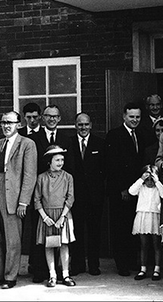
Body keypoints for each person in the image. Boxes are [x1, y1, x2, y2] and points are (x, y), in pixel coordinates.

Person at [0, 111, 37, 289]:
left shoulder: (27, 144)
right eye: (4, 122)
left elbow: (29, 175)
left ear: (18, 125)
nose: (6, 126)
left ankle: (10, 276)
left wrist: (23, 202)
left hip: (13, 193)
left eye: (10, 123)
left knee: (13, 237)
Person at [28, 104, 72, 283]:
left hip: (61, 198)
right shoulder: (33, 138)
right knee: (43, 240)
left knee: (63, 242)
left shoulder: (66, 138)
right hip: (42, 195)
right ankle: (41, 271)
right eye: (48, 116)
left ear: (59, 118)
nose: (52, 119)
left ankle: (65, 272)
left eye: (55, 116)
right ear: (43, 118)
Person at [106, 102, 147, 276]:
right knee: (121, 227)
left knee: (134, 226)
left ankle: (132, 261)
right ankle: (122, 263)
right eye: (131, 117)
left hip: (140, 189)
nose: (135, 120)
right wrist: (122, 189)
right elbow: (111, 165)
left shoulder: (143, 134)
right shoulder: (114, 135)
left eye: (137, 117)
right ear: (124, 116)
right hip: (121, 191)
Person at [68, 112, 106, 276]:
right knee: (76, 231)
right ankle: (77, 264)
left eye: (86, 124)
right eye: (80, 124)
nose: (83, 127)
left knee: (94, 231)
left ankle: (93, 265)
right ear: (75, 125)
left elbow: (104, 170)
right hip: (75, 196)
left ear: (91, 125)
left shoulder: (100, 143)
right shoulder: (69, 143)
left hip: (94, 196)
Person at [34, 145, 76, 288]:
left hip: (63, 215)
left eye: (62, 160)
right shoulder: (41, 178)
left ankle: (65, 274)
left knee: (64, 245)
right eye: (57, 160)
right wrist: (45, 217)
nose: (60, 163)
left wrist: (62, 217)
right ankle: (52, 275)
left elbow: (70, 199)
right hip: (47, 216)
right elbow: (37, 200)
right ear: (49, 161)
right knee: (49, 245)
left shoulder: (68, 177)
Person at [129, 164, 163, 281]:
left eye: (152, 179)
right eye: (147, 179)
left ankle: (157, 269)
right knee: (144, 245)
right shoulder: (141, 187)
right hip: (143, 216)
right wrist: (141, 179)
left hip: (155, 216)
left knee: (156, 245)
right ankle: (143, 269)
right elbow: (131, 191)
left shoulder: (157, 188)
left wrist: (157, 181)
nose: (149, 182)